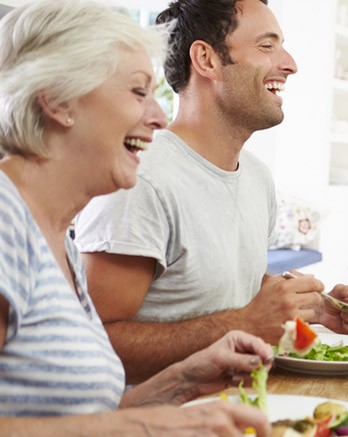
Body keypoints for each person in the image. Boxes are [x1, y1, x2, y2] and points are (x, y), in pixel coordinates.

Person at [0, 1, 271, 434]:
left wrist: (181, 382)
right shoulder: (5, 221)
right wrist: (143, 427)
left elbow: (81, 416)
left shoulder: (56, 237)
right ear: (58, 99)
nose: (159, 118)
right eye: (137, 92)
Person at [74, 0, 348, 383]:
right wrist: (245, 322)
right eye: (266, 46)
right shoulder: (141, 179)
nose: (290, 64)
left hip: (243, 402)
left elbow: (231, 290)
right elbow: (94, 343)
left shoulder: (257, 177)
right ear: (207, 59)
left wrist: (316, 310)